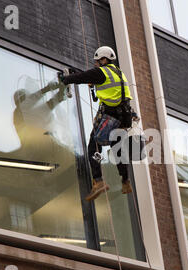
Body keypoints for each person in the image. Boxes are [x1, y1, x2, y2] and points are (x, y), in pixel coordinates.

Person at [59, 46, 138, 202]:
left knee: (94, 145)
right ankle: (125, 181)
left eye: (97, 61)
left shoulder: (102, 72)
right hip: (125, 116)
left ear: (103, 60)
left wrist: (65, 79)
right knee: (117, 147)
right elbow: (94, 79)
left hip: (111, 115)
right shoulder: (119, 73)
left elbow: (82, 77)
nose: (96, 64)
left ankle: (99, 181)